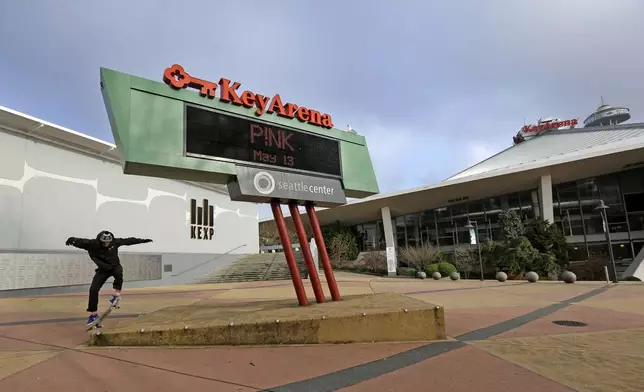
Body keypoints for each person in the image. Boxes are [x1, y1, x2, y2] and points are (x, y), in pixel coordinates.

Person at [65, 230, 153, 326]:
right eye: (104, 243)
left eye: (108, 243)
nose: (107, 244)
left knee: (119, 272)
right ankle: (93, 314)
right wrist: (72, 240)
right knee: (93, 290)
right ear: (100, 241)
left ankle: (117, 294)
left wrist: (143, 240)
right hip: (103, 270)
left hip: (114, 266)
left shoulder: (115, 242)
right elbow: (81, 242)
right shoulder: (92, 244)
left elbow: (128, 241)